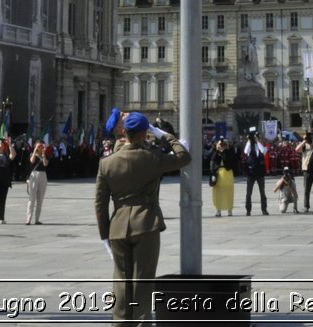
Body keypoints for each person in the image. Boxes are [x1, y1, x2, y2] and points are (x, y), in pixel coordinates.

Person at [94, 112, 191, 327]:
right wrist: (164, 135)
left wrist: (104, 236)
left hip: (118, 227)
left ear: (125, 133)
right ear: (143, 134)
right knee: (143, 282)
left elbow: (100, 204)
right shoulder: (152, 157)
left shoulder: (106, 163)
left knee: (121, 281)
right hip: (146, 224)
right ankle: (141, 323)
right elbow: (184, 157)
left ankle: (120, 323)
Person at [241, 129, 269, 215]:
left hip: (260, 172)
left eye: (258, 137)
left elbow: (263, 151)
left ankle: (264, 209)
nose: (257, 138)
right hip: (251, 172)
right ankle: (248, 210)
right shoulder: (250, 145)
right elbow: (246, 151)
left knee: (262, 192)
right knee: (248, 193)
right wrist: (249, 140)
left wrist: (258, 141)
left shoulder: (263, 146)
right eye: (256, 137)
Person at [207, 138, 236, 217]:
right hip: (218, 173)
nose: (222, 146)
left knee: (229, 191)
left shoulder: (229, 151)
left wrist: (225, 151)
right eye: (220, 144)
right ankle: (218, 210)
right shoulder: (215, 151)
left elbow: (232, 160)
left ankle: (229, 210)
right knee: (217, 192)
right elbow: (210, 159)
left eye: (223, 144)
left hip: (228, 172)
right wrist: (217, 150)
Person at [25, 141, 50, 224]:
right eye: (39, 146)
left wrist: (43, 154)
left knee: (40, 199)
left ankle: (37, 219)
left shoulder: (44, 155)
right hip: (34, 175)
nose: (40, 147)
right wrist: (35, 149)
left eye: (41, 146)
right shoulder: (32, 155)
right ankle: (28, 219)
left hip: (43, 175)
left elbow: (45, 164)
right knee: (31, 199)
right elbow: (32, 161)